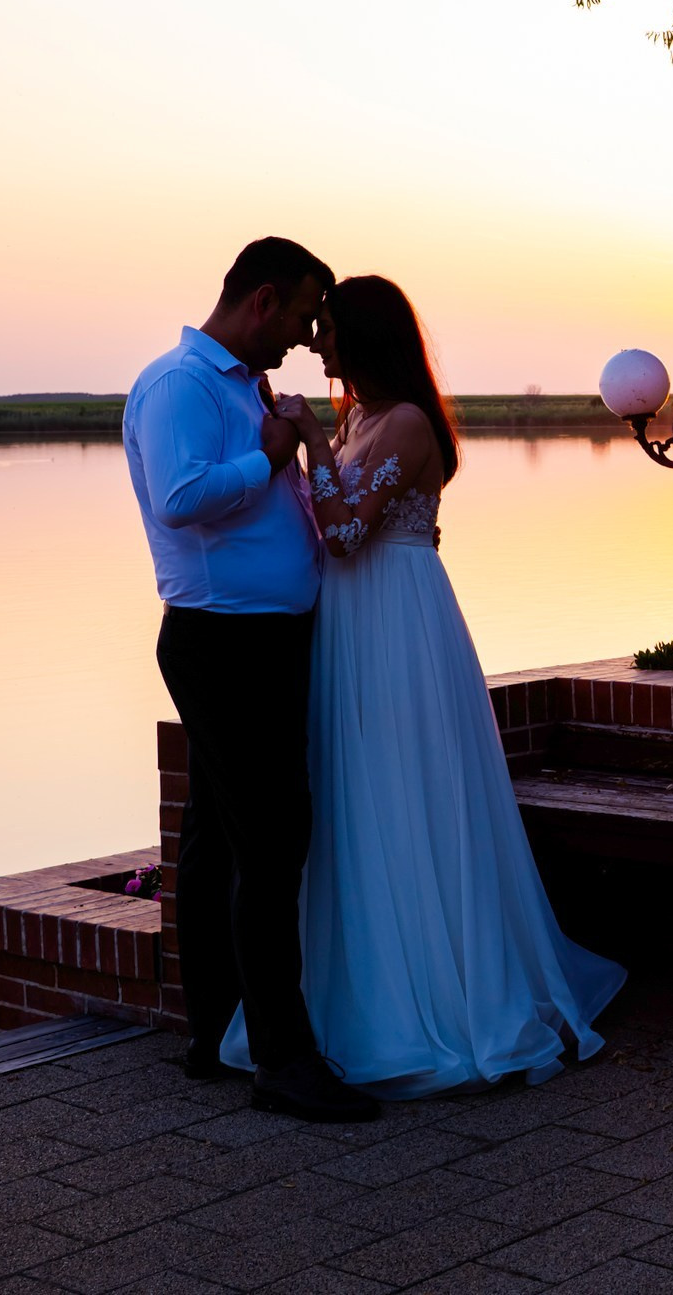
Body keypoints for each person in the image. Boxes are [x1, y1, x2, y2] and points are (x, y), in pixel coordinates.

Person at [216, 273, 624, 1096]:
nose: (318, 342)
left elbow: (347, 532)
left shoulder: (404, 423)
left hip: (400, 619)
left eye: (329, 329)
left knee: (407, 790)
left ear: (365, 335)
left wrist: (311, 444)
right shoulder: (359, 415)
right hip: (348, 623)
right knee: (353, 798)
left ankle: (441, 995)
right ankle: (347, 993)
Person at [121, 237, 378, 1122]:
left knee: (219, 841)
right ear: (263, 300)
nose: (309, 335)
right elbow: (181, 496)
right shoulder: (179, 385)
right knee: (273, 842)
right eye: (305, 314)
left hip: (262, 639)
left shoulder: (239, 386)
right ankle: (283, 1061)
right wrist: (273, 454)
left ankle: (215, 1031)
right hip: (223, 642)